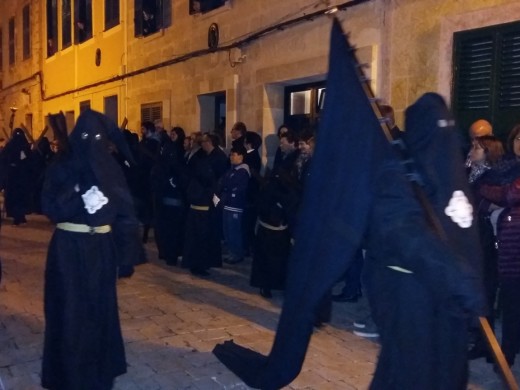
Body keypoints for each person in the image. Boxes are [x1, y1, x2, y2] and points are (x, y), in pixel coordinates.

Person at [40, 109, 140, 390]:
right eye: (85, 136)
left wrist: (126, 255)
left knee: (100, 311)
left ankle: (99, 373)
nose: (91, 142)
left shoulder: (111, 168)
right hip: (68, 251)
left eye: (97, 137)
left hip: (102, 250)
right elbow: (50, 207)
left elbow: (126, 212)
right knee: (71, 312)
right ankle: (70, 375)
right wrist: (78, 195)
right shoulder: (61, 166)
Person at [479, 124, 520, 367]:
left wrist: (488, 191)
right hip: (502, 243)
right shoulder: (505, 167)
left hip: (514, 245)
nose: (519, 143)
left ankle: (508, 354)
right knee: (507, 301)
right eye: (517, 138)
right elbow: (480, 202)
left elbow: (510, 196)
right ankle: (503, 351)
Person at [217, 145, 250, 264]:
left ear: (241, 156)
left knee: (234, 230)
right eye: (230, 154)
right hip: (226, 204)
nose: (231, 157)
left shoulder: (242, 172)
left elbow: (234, 186)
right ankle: (231, 251)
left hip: (235, 205)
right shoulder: (231, 170)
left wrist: (227, 192)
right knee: (227, 229)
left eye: (233, 154)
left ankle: (237, 253)